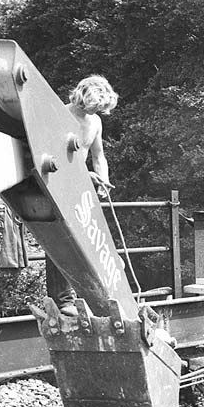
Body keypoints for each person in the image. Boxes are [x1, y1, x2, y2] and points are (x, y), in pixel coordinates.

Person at [45, 75, 119, 315]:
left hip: (82, 187)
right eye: (95, 104)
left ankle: (92, 296)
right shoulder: (59, 114)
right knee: (59, 238)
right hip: (56, 183)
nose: (98, 110)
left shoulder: (95, 121)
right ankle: (63, 300)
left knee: (88, 241)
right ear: (83, 96)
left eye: (101, 107)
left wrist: (103, 180)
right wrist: (87, 174)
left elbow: (98, 156)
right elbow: (53, 155)